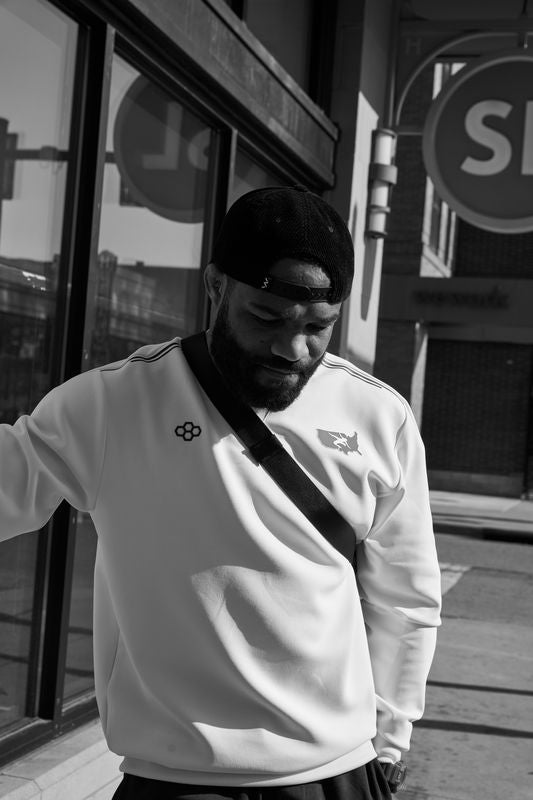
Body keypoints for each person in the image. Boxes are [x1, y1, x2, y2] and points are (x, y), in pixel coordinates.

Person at [0, 186, 441, 800]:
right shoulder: (114, 404)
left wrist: (391, 740)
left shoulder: (378, 416)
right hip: (175, 779)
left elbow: (406, 597)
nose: (293, 350)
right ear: (215, 287)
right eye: (266, 319)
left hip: (334, 775)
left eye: (319, 328)